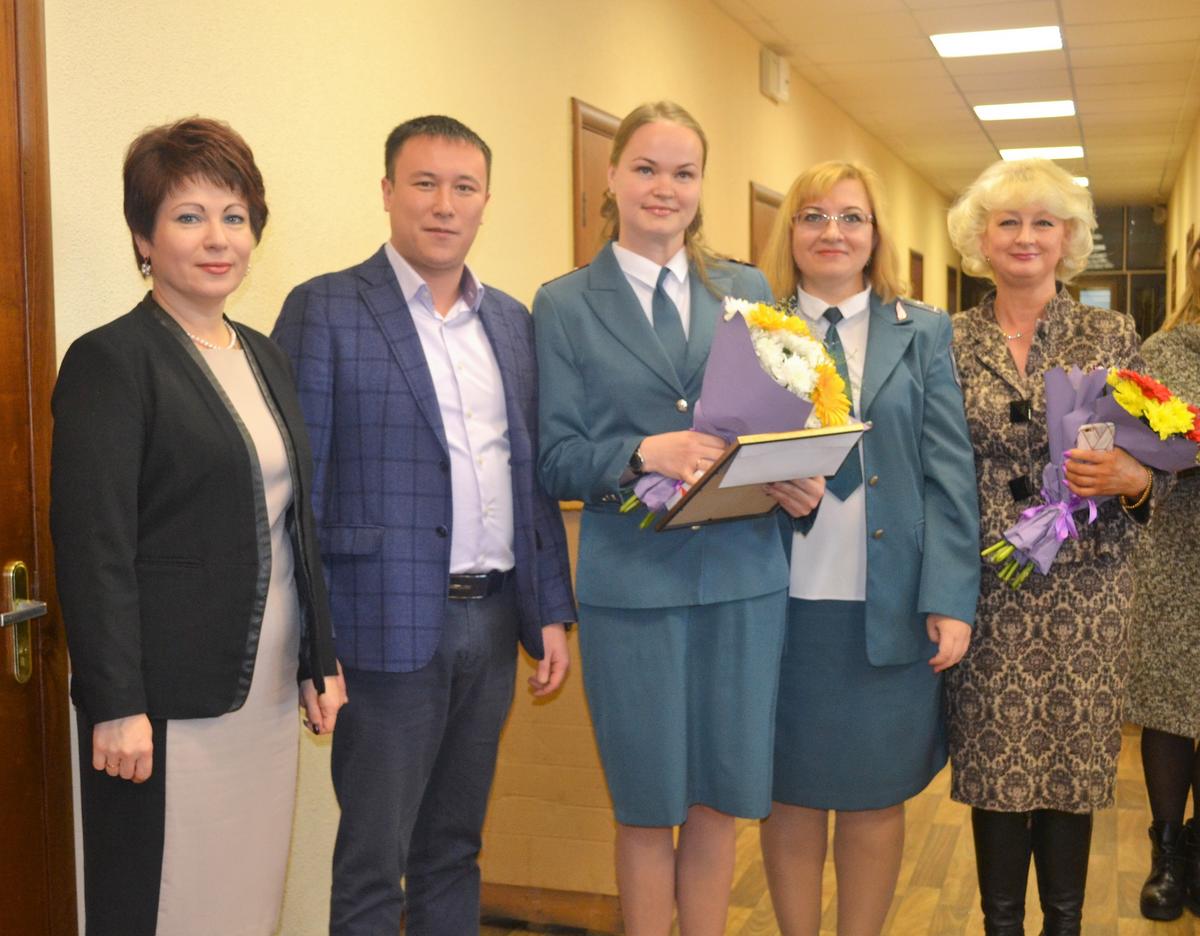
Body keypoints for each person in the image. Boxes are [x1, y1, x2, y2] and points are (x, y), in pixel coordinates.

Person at [272, 114, 575, 936]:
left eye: (464, 187)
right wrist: (313, 646)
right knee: (375, 861)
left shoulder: (510, 321)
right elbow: (299, 493)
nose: (444, 204)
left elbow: (528, 477)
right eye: (425, 183)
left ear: (485, 203)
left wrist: (549, 610)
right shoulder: (325, 309)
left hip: (493, 619)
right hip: (379, 631)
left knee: (455, 848)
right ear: (387, 192)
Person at [50, 117, 344, 936]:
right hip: (166, 704)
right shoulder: (112, 360)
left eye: (234, 216)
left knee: (246, 900)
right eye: (189, 216)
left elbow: (296, 523)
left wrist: (319, 659)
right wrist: (115, 703)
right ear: (143, 238)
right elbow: (95, 547)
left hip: (266, 689)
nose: (218, 238)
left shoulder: (263, 355)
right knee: (167, 904)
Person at [533, 100, 817, 936]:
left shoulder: (749, 291)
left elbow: (781, 418)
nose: (665, 188)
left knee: (720, 798)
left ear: (701, 186)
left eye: (683, 173)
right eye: (647, 169)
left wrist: (796, 475)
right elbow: (554, 458)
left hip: (743, 579)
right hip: (634, 589)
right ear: (612, 176)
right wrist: (639, 454)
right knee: (647, 803)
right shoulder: (565, 304)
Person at [752, 160, 980, 935]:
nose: (833, 232)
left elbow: (949, 474)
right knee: (787, 795)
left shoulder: (924, 331)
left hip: (887, 603)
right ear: (791, 231)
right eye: (814, 215)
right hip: (780, 603)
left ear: (875, 234)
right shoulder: (751, 329)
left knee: (875, 798)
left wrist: (950, 597)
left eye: (851, 216)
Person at [945, 158, 1161, 935]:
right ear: (981, 238)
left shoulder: (1112, 333)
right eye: (1007, 221)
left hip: (1088, 588)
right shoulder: (947, 339)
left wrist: (1135, 479)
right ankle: (1001, 925)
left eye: (1043, 222)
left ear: (1067, 239)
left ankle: (1065, 925)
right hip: (987, 589)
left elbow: (1154, 454)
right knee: (995, 772)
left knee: (1072, 769)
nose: (1025, 236)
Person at [1126, 236, 1200, 921]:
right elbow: (1144, 456)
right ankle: (1167, 853)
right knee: (1172, 707)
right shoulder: (1163, 354)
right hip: (1178, 556)